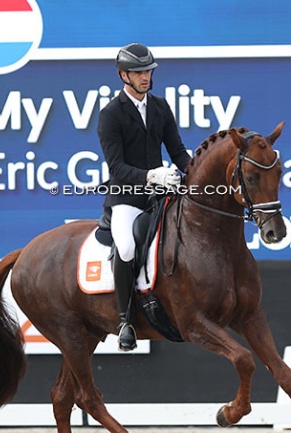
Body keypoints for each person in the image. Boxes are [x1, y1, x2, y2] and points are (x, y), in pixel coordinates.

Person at [97, 42, 191, 352]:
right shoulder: (111, 115)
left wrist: (195, 174)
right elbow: (117, 167)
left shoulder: (161, 107)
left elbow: (176, 151)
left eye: (148, 71)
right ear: (124, 75)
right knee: (126, 247)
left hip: (160, 195)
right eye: (139, 72)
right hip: (127, 197)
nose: (145, 77)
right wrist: (151, 175)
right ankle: (125, 320)